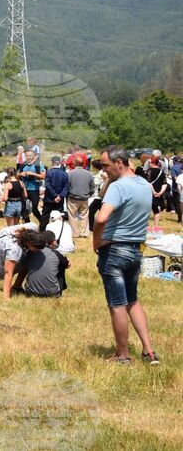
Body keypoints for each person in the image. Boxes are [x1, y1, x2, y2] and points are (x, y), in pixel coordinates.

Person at [92, 146, 159, 365]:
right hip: (135, 250)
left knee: (117, 304)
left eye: (106, 166)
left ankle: (123, 355)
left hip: (114, 251)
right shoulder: (143, 184)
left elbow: (101, 218)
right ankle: (148, 351)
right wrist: (111, 180)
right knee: (133, 301)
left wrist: (96, 241)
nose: (103, 170)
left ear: (119, 163)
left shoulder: (119, 187)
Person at [0, 223, 35, 299]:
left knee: (4, 255)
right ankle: (16, 287)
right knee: (27, 262)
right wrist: (6, 298)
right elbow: (8, 273)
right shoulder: (14, 249)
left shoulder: (31, 227)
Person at [12, 231, 68, 298]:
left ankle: (16, 287)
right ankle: (58, 291)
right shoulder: (56, 253)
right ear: (53, 242)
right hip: (52, 294)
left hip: (30, 292)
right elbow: (68, 264)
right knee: (61, 266)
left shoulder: (30, 252)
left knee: (27, 264)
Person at [66, 159, 95, 238]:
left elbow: (67, 186)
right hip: (84, 198)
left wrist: (68, 194)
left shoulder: (70, 173)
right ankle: (84, 233)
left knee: (72, 216)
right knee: (84, 215)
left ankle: (74, 233)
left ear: (75, 163)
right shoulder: (89, 174)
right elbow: (92, 187)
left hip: (73, 198)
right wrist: (88, 195)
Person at [42, 156, 70, 231]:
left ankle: (42, 231)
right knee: (59, 215)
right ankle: (59, 230)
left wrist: (54, 195)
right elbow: (66, 187)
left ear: (52, 162)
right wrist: (60, 196)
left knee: (45, 216)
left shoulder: (49, 172)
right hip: (59, 199)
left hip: (49, 198)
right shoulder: (64, 174)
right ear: (59, 163)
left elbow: (47, 185)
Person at [18, 150, 46, 224]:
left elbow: (43, 176)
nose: (28, 157)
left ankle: (42, 223)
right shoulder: (23, 165)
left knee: (34, 208)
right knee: (24, 208)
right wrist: (21, 174)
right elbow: (16, 176)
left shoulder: (38, 164)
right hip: (24, 189)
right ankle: (28, 225)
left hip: (34, 189)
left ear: (34, 156)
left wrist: (33, 174)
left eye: (30, 155)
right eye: (27, 155)